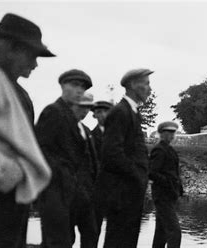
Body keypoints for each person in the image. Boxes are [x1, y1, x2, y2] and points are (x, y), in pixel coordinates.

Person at [0, 13, 53, 247]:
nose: (35, 64)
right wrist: (11, 172)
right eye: (32, 55)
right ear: (12, 48)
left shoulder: (9, 86)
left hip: (6, 204)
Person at [35, 69, 96, 247]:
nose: (79, 90)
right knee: (57, 241)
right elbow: (42, 152)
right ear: (63, 86)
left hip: (71, 194)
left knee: (66, 240)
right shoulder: (53, 112)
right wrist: (62, 177)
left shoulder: (71, 119)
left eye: (82, 88)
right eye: (75, 85)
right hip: (56, 192)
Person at [94, 68, 152, 247]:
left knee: (127, 240)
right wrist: (137, 175)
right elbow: (112, 153)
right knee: (118, 240)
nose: (149, 89)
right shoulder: (121, 112)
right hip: (122, 194)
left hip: (130, 193)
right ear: (133, 85)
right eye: (146, 84)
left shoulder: (132, 112)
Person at [70, 92, 100, 248]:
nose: (85, 111)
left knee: (91, 234)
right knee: (66, 236)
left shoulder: (86, 130)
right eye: (82, 107)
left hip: (87, 195)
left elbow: (92, 164)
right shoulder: (64, 126)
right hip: (68, 193)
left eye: (88, 108)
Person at [150, 121, 183, 248]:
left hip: (170, 195)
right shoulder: (159, 150)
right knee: (175, 231)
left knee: (161, 232)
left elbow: (174, 171)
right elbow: (152, 172)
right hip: (162, 196)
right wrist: (168, 183)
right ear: (161, 134)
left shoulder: (170, 150)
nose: (171, 135)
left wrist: (178, 188)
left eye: (173, 133)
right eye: (168, 133)